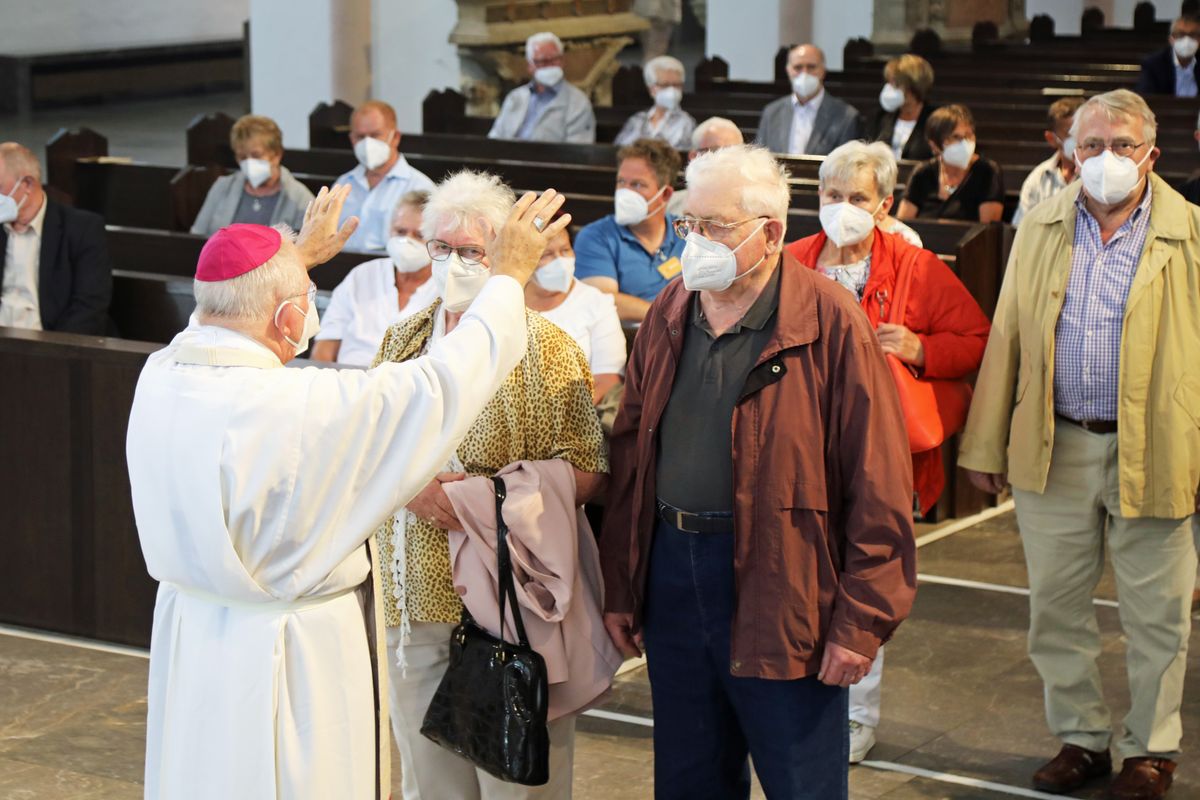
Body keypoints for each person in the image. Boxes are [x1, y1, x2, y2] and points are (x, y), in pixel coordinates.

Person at [126, 183, 573, 800]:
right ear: (287, 318)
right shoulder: (302, 405)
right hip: (291, 651)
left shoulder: (161, 374)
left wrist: (288, 263)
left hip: (195, 632)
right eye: (304, 300)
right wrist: (509, 277)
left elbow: (223, 313)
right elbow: (445, 380)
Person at [600, 145, 918, 800]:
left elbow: (879, 483)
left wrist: (861, 621)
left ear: (770, 232)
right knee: (689, 780)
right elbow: (631, 451)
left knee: (800, 780)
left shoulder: (830, 324)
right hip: (675, 572)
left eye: (714, 226)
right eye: (689, 224)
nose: (695, 241)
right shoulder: (670, 309)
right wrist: (623, 584)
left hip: (783, 578)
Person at [959, 89, 1200, 800]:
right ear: (1070, 151)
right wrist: (983, 446)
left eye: (1123, 146)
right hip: (1055, 443)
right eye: (1092, 145)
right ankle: (1082, 737)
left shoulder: (1190, 232)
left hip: (1157, 447)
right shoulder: (1040, 225)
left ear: (1152, 155)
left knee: (1157, 613)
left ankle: (1151, 749)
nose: (1106, 160)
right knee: (1055, 608)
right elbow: (1005, 335)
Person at [371, 169, 609, 800]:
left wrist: (473, 503)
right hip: (413, 593)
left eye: (471, 251)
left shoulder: (548, 348)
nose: (452, 264)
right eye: (441, 249)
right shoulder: (402, 340)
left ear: (504, 256)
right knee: (428, 779)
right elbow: (369, 445)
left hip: (509, 599)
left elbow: (588, 472)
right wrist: (406, 485)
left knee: (517, 782)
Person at [785, 140, 990, 764]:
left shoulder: (913, 266)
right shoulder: (793, 261)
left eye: (856, 198)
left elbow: (975, 337)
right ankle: (794, 702)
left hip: (879, 447)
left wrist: (921, 348)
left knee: (864, 580)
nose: (841, 208)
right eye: (830, 195)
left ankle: (856, 715)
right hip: (799, 446)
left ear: (886, 205)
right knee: (797, 578)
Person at [311, 191, 437, 366]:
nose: (406, 241)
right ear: (389, 230)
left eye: (419, 235)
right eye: (400, 231)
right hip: (347, 382)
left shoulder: (444, 288)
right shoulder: (362, 275)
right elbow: (325, 345)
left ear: (438, 242)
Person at [0, 142, 111, 334]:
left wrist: (52, 351)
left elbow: (89, 306)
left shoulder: (82, 229)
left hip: (52, 343)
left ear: (27, 184)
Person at [574, 138, 685, 322]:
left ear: (665, 195)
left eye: (637, 184)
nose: (624, 192)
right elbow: (603, 301)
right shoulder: (596, 236)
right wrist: (671, 317)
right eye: (621, 182)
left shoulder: (685, 232)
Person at [525, 224, 626, 404]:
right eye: (546, 254)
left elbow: (607, 379)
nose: (560, 261)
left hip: (574, 418)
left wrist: (563, 420)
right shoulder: (505, 296)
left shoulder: (596, 303)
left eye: (565, 250)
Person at [335, 100, 435, 253]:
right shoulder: (342, 184)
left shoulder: (419, 188)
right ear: (352, 139)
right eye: (360, 137)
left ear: (395, 137)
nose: (368, 143)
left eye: (375, 135)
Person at [190, 114, 314, 236]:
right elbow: (197, 236)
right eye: (242, 157)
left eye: (256, 155)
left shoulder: (301, 199)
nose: (249, 163)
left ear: (276, 154)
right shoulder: (223, 187)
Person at [896, 104, 1004, 223]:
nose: (965, 144)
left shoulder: (987, 171)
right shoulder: (923, 173)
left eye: (968, 135)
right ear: (934, 145)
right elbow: (902, 224)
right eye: (956, 137)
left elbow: (987, 230)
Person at [754, 44, 861, 157]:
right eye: (797, 67)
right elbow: (759, 159)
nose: (804, 73)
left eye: (811, 67)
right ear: (788, 70)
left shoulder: (846, 117)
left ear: (823, 70)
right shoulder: (771, 113)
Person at [489, 32, 596, 144]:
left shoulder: (578, 103)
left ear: (563, 61)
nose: (549, 66)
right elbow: (495, 138)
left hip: (550, 160)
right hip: (508, 158)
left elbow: (579, 151)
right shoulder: (515, 97)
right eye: (542, 62)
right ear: (530, 66)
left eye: (555, 60)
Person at [1012, 97, 1083, 226]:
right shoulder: (1037, 179)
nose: (1079, 139)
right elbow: (1021, 230)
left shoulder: (1101, 176)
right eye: (1070, 134)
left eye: (1082, 131)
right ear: (1051, 138)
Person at [614, 55, 697, 150]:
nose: (672, 90)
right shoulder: (637, 120)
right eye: (665, 85)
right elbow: (619, 149)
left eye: (676, 85)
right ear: (651, 89)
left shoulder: (687, 123)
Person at [865, 54, 938, 161]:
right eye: (889, 82)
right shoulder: (879, 117)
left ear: (914, 85)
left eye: (896, 84)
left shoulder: (935, 120)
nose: (889, 88)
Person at [666, 116, 744, 217]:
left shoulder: (757, 206)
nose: (726, 159)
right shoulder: (668, 207)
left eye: (733, 152)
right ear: (694, 157)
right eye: (716, 151)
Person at [1134, 13, 1200, 97]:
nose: (1186, 40)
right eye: (1181, 34)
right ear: (1171, 39)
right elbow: (1145, 96)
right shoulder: (1154, 64)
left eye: (1192, 35)